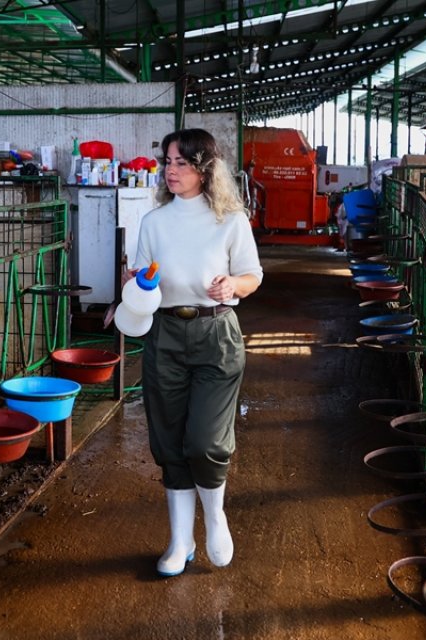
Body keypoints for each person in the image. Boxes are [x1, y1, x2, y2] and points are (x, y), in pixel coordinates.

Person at [130, 128, 263, 577]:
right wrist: (132, 292)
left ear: (205, 169)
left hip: (216, 334)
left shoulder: (230, 219)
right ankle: (179, 540)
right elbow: (140, 279)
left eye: (182, 163)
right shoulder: (153, 223)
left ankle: (217, 519)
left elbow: (252, 276)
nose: (171, 170)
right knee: (169, 442)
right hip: (165, 334)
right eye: (167, 161)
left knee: (205, 442)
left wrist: (233, 285)